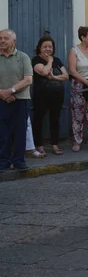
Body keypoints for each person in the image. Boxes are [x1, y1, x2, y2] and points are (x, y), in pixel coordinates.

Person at [0, 29, 33, 171]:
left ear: (14, 41)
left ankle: (19, 160)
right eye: (0, 38)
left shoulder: (23, 57)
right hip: (1, 100)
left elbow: (28, 79)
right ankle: (3, 161)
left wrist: (10, 91)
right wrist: (3, 94)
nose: (2, 41)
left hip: (20, 100)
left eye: (5, 38)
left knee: (20, 131)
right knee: (3, 132)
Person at [31, 36, 69, 156]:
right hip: (41, 94)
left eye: (50, 47)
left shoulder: (57, 60)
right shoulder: (35, 60)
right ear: (40, 48)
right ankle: (39, 145)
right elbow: (44, 72)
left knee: (55, 119)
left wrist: (54, 78)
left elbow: (66, 76)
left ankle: (55, 144)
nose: (48, 49)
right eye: (45, 46)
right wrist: (50, 61)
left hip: (57, 94)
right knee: (38, 119)